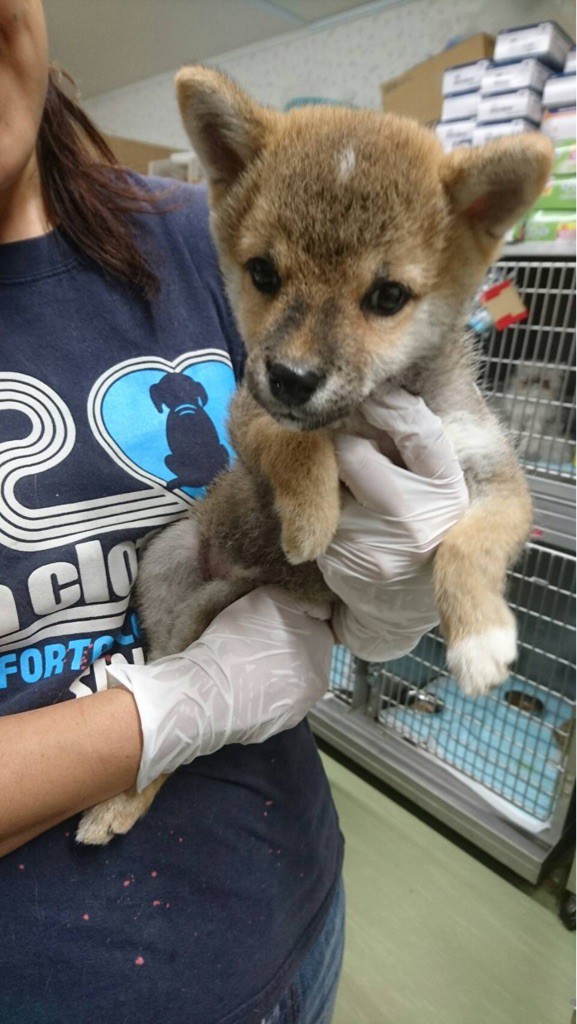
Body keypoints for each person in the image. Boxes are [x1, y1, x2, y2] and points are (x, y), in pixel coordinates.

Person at [0, 3, 469, 1022]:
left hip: (294, 916)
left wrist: (396, 588)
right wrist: (166, 711)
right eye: (272, 284)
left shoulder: (204, 238)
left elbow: (340, 492)